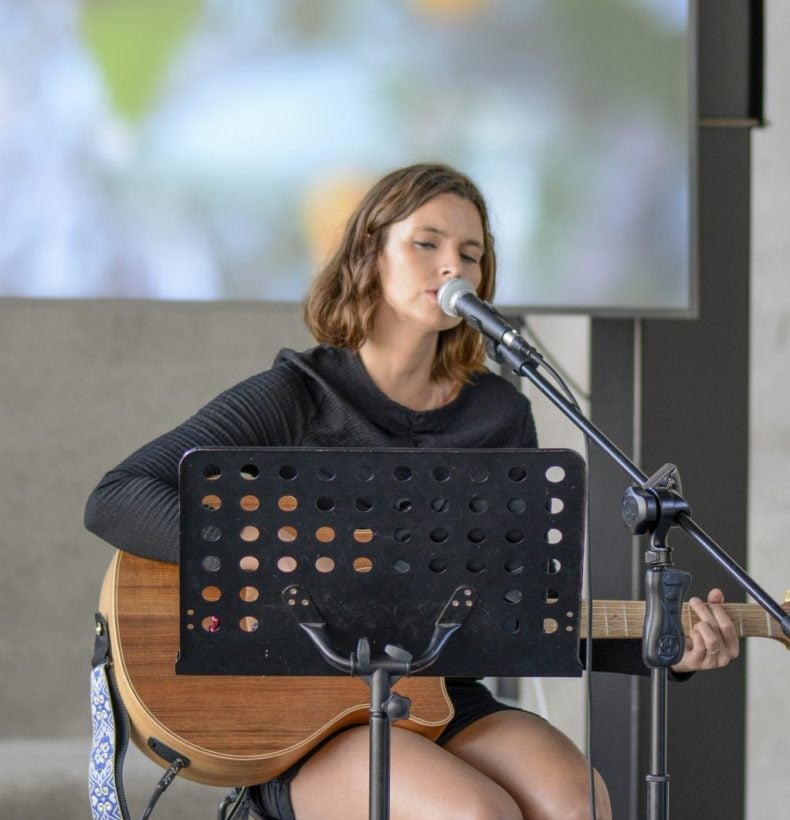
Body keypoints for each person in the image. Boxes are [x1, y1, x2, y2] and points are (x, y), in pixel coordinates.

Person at [85, 163, 739, 820]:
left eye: (471, 253)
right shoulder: (297, 396)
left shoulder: (498, 415)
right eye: (426, 243)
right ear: (369, 252)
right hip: (308, 722)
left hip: (441, 697)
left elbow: (523, 620)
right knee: (476, 814)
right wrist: (284, 558)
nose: (451, 265)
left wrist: (667, 642)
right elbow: (117, 497)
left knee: (579, 804)